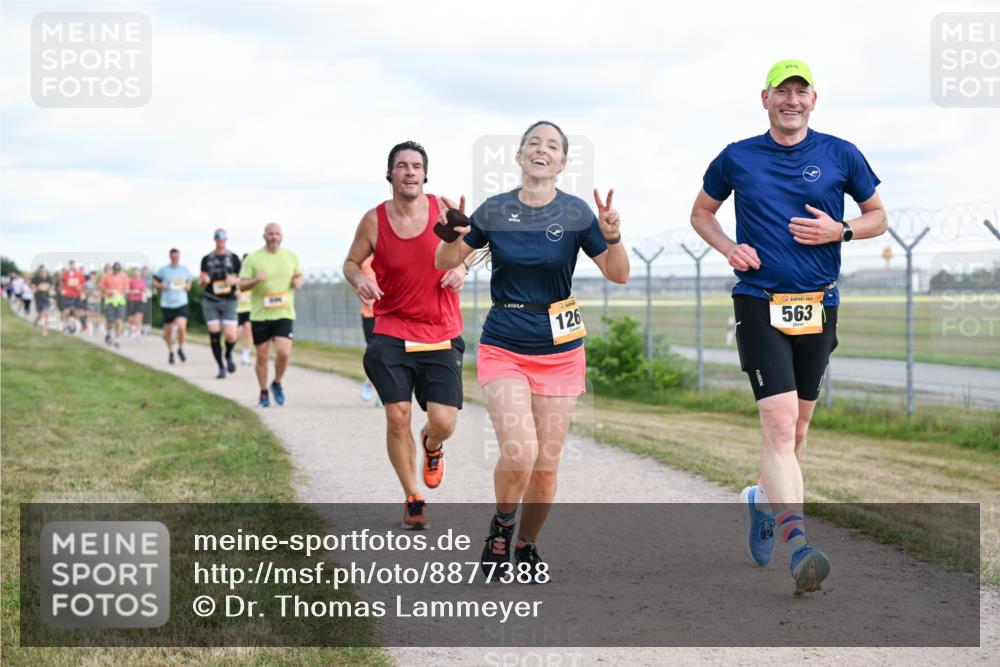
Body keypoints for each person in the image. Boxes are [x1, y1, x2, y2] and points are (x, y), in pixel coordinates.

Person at [690, 60, 887, 595]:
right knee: (778, 426)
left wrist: (839, 229)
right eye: (783, 91)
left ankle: (761, 500)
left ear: (814, 100)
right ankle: (799, 545)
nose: (792, 99)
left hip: (818, 305)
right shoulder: (737, 157)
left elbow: (878, 217)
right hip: (758, 301)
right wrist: (730, 248)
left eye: (801, 91)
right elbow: (701, 213)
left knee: (797, 431)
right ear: (765, 98)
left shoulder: (840, 154)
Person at [435, 121, 629, 578]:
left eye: (553, 146)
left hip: (560, 349)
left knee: (544, 468)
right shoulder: (496, 210)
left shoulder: (578, 213)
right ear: (519, 156)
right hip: (505, 343)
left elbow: (617, 274)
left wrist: (613, 235)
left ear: (562, 163)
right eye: (534, 144)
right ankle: (502, 527)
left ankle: (525, 545)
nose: (542, 150)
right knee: (519, 452)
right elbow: (446, 262)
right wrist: (452, 234)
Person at [344, 141, 468, 530]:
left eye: (416, 166)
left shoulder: (443, 211)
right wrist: (361, 278)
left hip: (440, 330)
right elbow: (349, 263)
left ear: (425, 175)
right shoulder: (373, 221)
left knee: (444, 422)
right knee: (397, 416)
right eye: (402, 166)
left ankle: (432, 446)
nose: (410, 171)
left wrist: (462, 269)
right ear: (390, 175)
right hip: (392, 328)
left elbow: (476, 251)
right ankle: (413, 496)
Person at [239, 223, 302, 407]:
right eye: (270, 234)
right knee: (262, 356)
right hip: (261, 315)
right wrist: (255, 280)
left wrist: (298, 281)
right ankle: (263, 392)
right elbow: (242, 285)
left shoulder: (291, 256)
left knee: (284, 352)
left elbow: (298, 276)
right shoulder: (253, 258)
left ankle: (277, 382)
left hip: (284, 313)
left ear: (281, 236)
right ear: (264, 236)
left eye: (277, 233)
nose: (274, 237)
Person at [199, 229, 243, 379]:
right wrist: (203, 281)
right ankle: (221, 367)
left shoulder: (234, 258)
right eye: (218, 236)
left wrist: (235, 281)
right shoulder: (206, 259)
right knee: (215, 334)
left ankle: (228, 354)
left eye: (223, 236)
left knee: (231, 335)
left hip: (229, 300)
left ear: (226, 239)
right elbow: (201, 279)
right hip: (211, 299)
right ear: (214, 239)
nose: (220, 239)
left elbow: (242, 279)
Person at [153, 249, 192, 364]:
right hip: (167, 303)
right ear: (170, 257)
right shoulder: (163, 270)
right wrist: (160, 285)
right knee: (169, 332)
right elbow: (154, 282)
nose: (175, 258)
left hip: (181, 302)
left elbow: (189, 285)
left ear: (179, 257)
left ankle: (180, 347)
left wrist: (187, 286)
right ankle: (171, 352)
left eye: (177, 257)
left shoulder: (184, 270)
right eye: (173, 257)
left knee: (181, 327)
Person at [358, 255, 378, 403]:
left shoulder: (393, 253)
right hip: (369, 313)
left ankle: (384, 393)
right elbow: (355, 280)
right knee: (374, 351)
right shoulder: (364, 259)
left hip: (390, 312)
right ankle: (370, 380)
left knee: (389, 351)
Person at [99, 262, 129, 347]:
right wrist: (109, 291)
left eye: (118, 271)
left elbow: (126, 288)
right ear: (112, 269)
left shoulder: (124, 276)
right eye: (115, 270)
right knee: (110, 321)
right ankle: (108, 333)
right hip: (109, 301)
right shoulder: (106, 276)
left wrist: (122, 292)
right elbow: (101, 286)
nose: (116, 272)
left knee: (119, 321)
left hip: (120, 301)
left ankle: (117, 339)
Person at [236, 254, 253, 366]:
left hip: (249, 308)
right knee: (236, 334)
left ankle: (246, 354)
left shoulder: (254, 277)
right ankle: (229, 351)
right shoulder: (237, 277)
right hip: (237, 309)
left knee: (248, 330)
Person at [61, 260, 86, 334]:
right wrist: (63, 290)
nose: (72, 266)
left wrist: (80, 288)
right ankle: (66, 325)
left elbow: (83, 285)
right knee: (67, 311)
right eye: (70, 264)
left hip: (77, 296)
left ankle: (73, 326)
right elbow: (63, 285)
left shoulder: (79, 274)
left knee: (75, 312)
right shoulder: (65, 274)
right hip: (68, 296)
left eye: (73, 264)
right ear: (69, 265)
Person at [31, 265, 53, 336]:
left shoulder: (49, 278)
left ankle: (45, 331)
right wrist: (38, 288)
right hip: (39, 298)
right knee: (40, 315)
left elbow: (51, 288)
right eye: (42, 270)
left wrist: (52, 296)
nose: (43, 271)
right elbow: (33, 289)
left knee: (46, 314)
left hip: (47, 298)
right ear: (39, 271)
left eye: (45, 270)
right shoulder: (35, 278)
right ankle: (35, 321)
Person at [126, 269, 147, 338]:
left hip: (140, 300)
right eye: (135, 273)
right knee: (131, 317)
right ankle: (130, 328)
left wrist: (145, 294)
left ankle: (137, 331)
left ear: (140, 274)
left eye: (138, 273)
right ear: (133, 273)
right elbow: (126, 291)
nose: (137, 274)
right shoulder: (130, 280)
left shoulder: (142, 281)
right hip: (131, 300)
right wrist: (133, 291)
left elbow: (144, 290)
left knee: (139, 316)